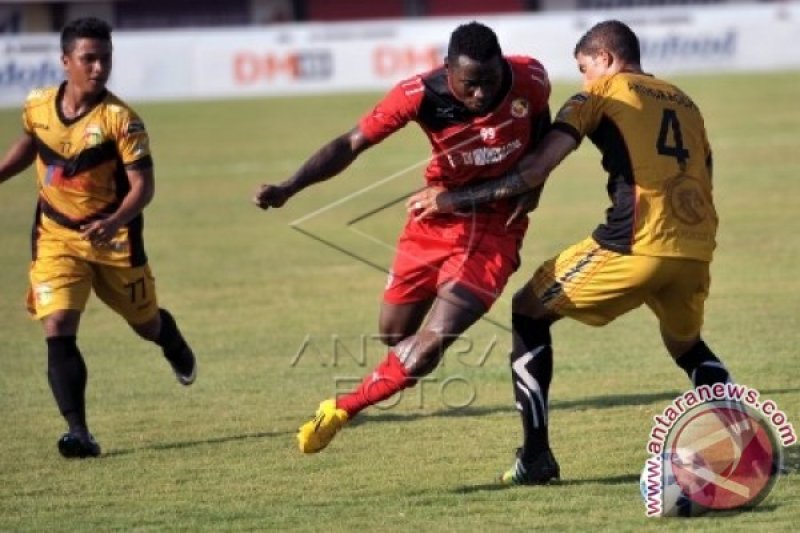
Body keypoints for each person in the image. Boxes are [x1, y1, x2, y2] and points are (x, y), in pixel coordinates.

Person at [407, 20, 733, 485]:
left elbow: (533, 170)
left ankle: (535, 458)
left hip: (633, 243)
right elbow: (706, 171)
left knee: (527, 311)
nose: (583, 80)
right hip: (696, 247)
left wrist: (450, 200)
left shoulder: (595, 96)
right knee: (687, 347)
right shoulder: (685, 101)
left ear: (605, 59)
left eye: (584, 68)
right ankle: (747, 436)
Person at [254, 21, 552, 453]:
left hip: (494, 227)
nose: (482, 95)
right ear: (447, 69)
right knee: (395, 338)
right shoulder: (418, 94)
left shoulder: (529, 77)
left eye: (490, 81)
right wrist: (288, 187)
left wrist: (534, 187)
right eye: (470, 85)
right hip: (432, 219)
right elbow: (351, 143)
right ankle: (398, 372)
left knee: (430, 345)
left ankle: (340, 409)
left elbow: (542, 133)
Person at [0, 17, 197, 459]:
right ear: (65, 61)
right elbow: (31, 144)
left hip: (115, 240)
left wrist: (114, 220)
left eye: (105, 59)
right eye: (89, 59)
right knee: (58, 325)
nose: (98, 68)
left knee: (146, 324)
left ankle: (173, 343)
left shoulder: (121, 121)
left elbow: (144, 187)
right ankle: (79, 433)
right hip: (56, 235)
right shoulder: (37, 106)